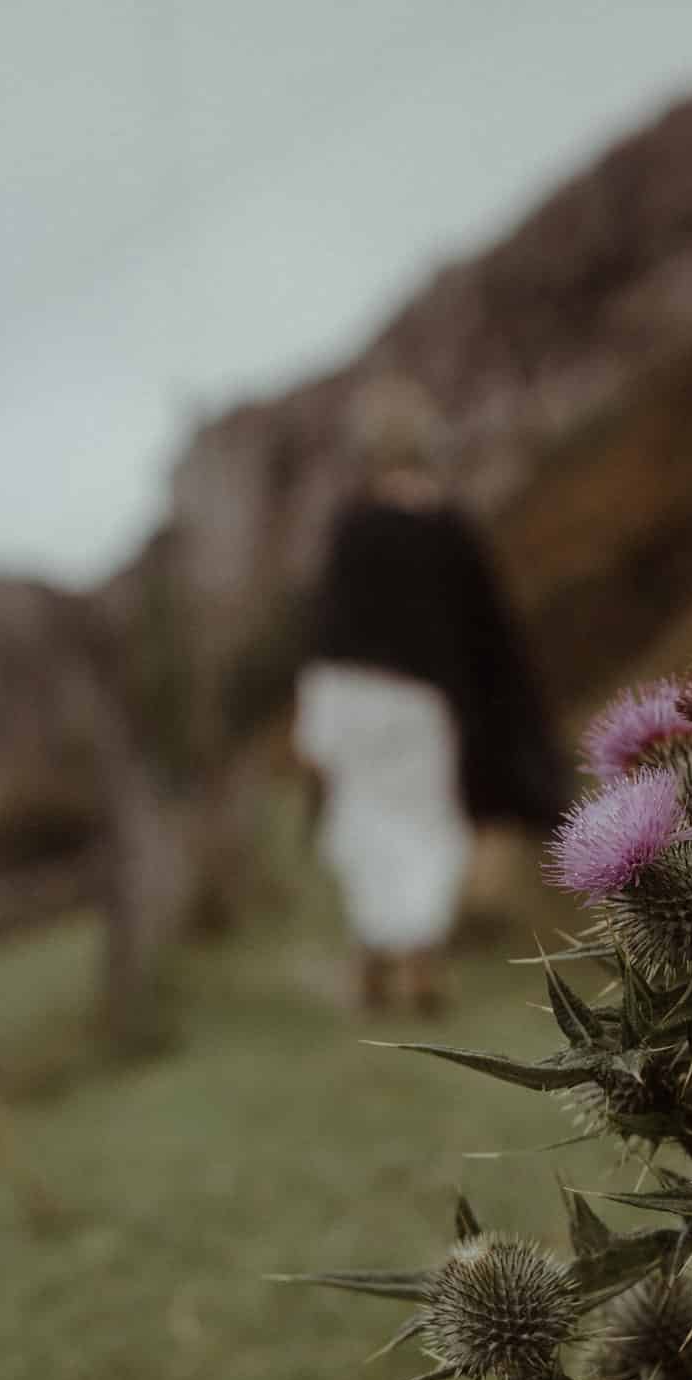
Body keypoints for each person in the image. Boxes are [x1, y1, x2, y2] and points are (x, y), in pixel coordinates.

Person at [247, 375, 566, 1014]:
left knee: (364, 830)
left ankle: (373, 962)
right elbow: (490, 639)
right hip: (422, 709)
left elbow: (327, 632)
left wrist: (315, 724)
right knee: (424, 829)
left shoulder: (353, 527)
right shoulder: (452, 531)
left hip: (354, 700)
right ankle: (416, 963)